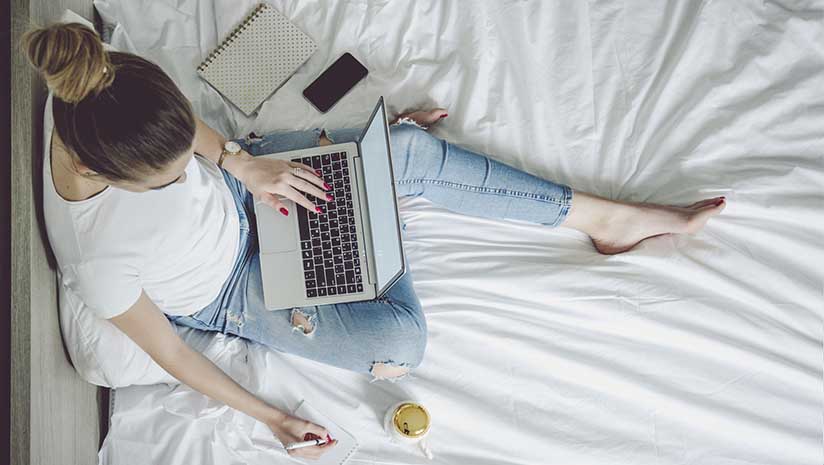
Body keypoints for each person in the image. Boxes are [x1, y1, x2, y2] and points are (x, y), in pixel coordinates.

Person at [23, 23, 725, 460]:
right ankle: (374, 204)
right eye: (163, 181)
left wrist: (236, 161)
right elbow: (171, 349)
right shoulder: (97, 256)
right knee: (398, 346)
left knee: (401, 150)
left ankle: (606, 221)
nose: (182, 178)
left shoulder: (102, 82)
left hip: (246, 187)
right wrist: (272, 418)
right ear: (93, 171)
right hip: (231, 291)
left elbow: (186, 139)